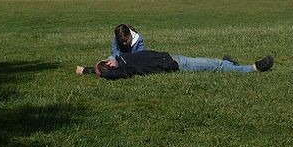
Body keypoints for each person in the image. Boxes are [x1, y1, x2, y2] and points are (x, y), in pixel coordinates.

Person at [75, 50, 273, 80]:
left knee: (213, 63)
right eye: (107, 61)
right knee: (215, 66)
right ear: (110, 66)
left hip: (173, 57)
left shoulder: (122, 59)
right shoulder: (126, 68)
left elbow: (107, 67)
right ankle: (252, 68)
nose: (109, 58)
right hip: (176, 64)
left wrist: (87, 70)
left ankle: (229, 63)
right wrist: (102, 72)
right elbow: (113, 74)